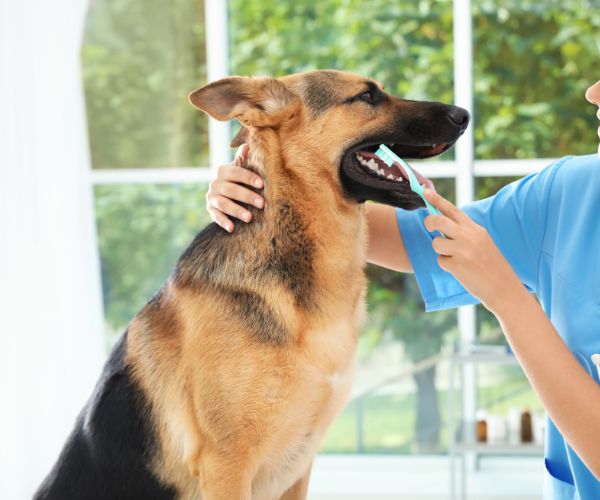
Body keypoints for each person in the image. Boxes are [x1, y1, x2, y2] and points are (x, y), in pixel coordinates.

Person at [206, 80, 600, 499]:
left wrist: (506, 297)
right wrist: (264, 192)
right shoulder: (572, 193)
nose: (594, 92)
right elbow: (414, 238)